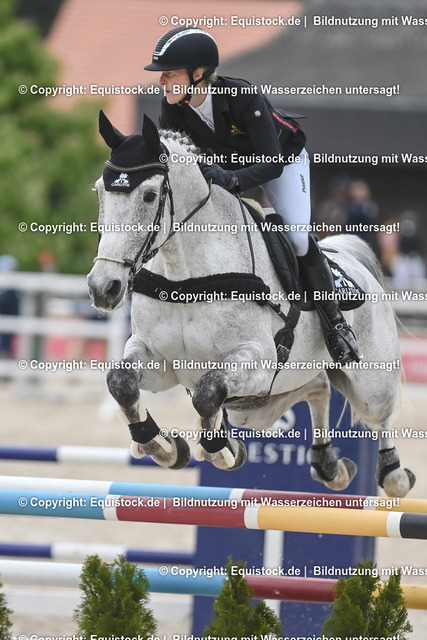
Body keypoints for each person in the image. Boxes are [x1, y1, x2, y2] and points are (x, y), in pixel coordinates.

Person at [144, 27, 360, 364]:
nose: (161, 81)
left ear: (197, 74)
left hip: (282, 161)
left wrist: (231, 179)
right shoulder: (172, 108)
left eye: (169, 73)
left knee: (297, 237)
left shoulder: (243, 96)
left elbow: (271, 163)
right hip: (227, 168)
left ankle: (336, 324)